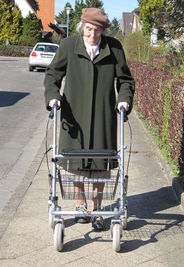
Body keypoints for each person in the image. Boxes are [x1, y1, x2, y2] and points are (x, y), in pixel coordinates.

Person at [44, 7, 135, 231]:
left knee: (101, 164)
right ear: (81, 27)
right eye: (88, 29)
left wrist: (124, 100)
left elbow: (125, 80)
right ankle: (79, 203)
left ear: (103, 30)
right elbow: (52, 74)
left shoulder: (113, 48)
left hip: (104, 116)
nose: (92, 35)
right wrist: (53, 97)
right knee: (75, 162)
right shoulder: (68, 46)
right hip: (74, 116)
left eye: (96, 30)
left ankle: (97, 207)